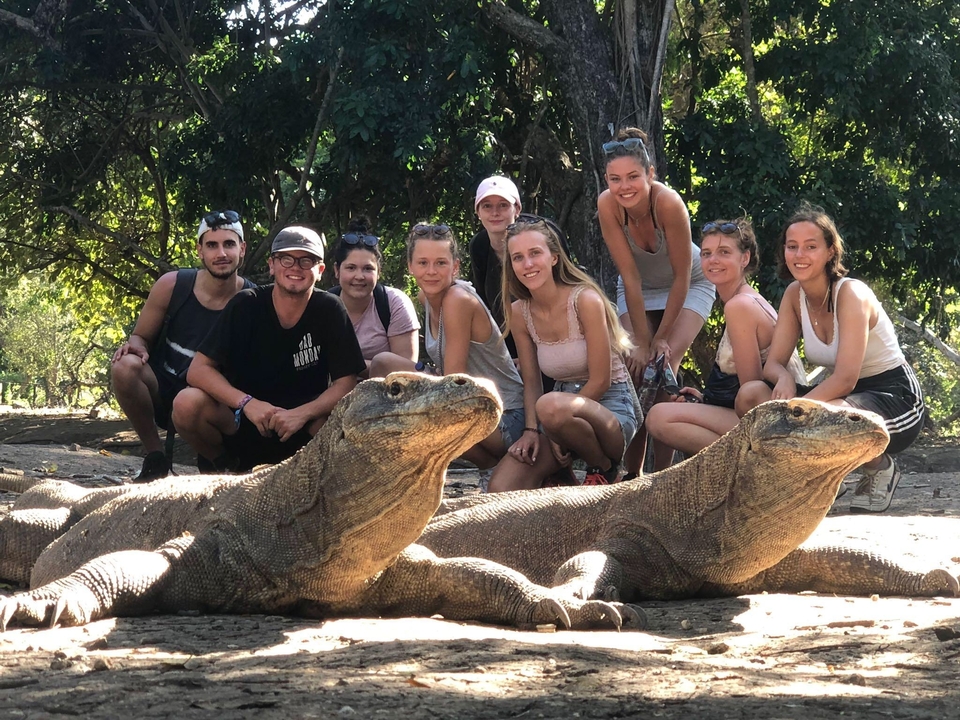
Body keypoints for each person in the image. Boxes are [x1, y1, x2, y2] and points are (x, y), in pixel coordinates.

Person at [737, 203, 925, 513]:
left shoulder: (851, 294)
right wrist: (783, 378)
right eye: (792, 246)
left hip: (894, 397)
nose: (800, 254)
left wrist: (796, 410)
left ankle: (880, 467)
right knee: (752, 395)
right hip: (841, 396)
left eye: (811, 247)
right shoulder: (794, 295)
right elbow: (773, 363)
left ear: (830, 252)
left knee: (829, 416)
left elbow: (845, 379)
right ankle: (820, 479)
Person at [172, 226, 366, 472]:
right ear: (272, 265)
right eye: (286, 259)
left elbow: (346, 382)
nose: (295, 267)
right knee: (187, 403)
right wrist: (248, 403)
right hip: (243, 420)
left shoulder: (330, 309)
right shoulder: (245, 304)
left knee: (347, 420)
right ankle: (225, 467)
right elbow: (198, 370)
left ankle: (324, 479)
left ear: (320, 270)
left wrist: (302, 414)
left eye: (306, 261)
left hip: (303, 426)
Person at [486, 220, 638, 492]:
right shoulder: (519, 312)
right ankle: (563, 474)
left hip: (610, 408)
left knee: (550, 405)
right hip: (557, 414)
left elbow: (601, 380)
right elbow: (531, 381)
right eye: (518, 258)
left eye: (535, 253)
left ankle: (604, 468)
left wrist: (556, 426)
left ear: (554, 257)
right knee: (502, 486)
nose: (527, 264)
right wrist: (532, 431)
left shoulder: (585, 300)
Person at [597, 127, 715, 474]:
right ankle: (632, 474)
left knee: (662, 367)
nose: (624, 187)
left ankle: (663, 474)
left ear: (650, 174)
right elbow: (631, 278)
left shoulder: (668, 203)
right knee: (635, 368)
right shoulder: (607, 205)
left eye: (633, 176)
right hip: (639, 287)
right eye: (615, 179)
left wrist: (660, 339)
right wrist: (641, 341)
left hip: (689, 282)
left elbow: (681, 277)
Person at [110, 210, 254, 482]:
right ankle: (155, 458)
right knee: (124, 366)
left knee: (190, 402)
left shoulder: (252, 302)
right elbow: (140, 336)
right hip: (165, 386)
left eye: (229, 244)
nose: (221, 253)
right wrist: (136, 347)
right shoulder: (172, 285)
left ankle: (222, 461)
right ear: (199, 250)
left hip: (212, 401)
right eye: (212, 245)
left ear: (242, 249)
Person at [645, 218, 805, 457]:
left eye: (724, 252)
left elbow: (751, 393)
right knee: (672, 411)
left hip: (776, 424)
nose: (713, 260)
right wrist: (706, 400)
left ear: (745, 258)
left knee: (659, 417)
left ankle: (751, 463)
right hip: (765, 416)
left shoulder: (740, 305)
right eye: (707, 253)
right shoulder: (744, 299)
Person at [370, 222, 525, 469]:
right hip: (464, 401)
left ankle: (489, 464)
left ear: (455, 267)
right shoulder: (426, 297)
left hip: (504, 416)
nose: (431, 271)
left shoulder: (457, 300)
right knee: (382, 364)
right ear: (410, 266)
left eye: (441, 263)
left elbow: (454, 386)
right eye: (423, 263)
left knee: (429, 412)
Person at [330, 217, 420, 376]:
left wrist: (347, 363)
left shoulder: (393, 303)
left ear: (379, 272)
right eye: (351, 268)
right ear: (337, 270)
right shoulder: (323, 306)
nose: (359, 276)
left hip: (387, 389)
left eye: (367, 269)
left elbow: (406, 374)